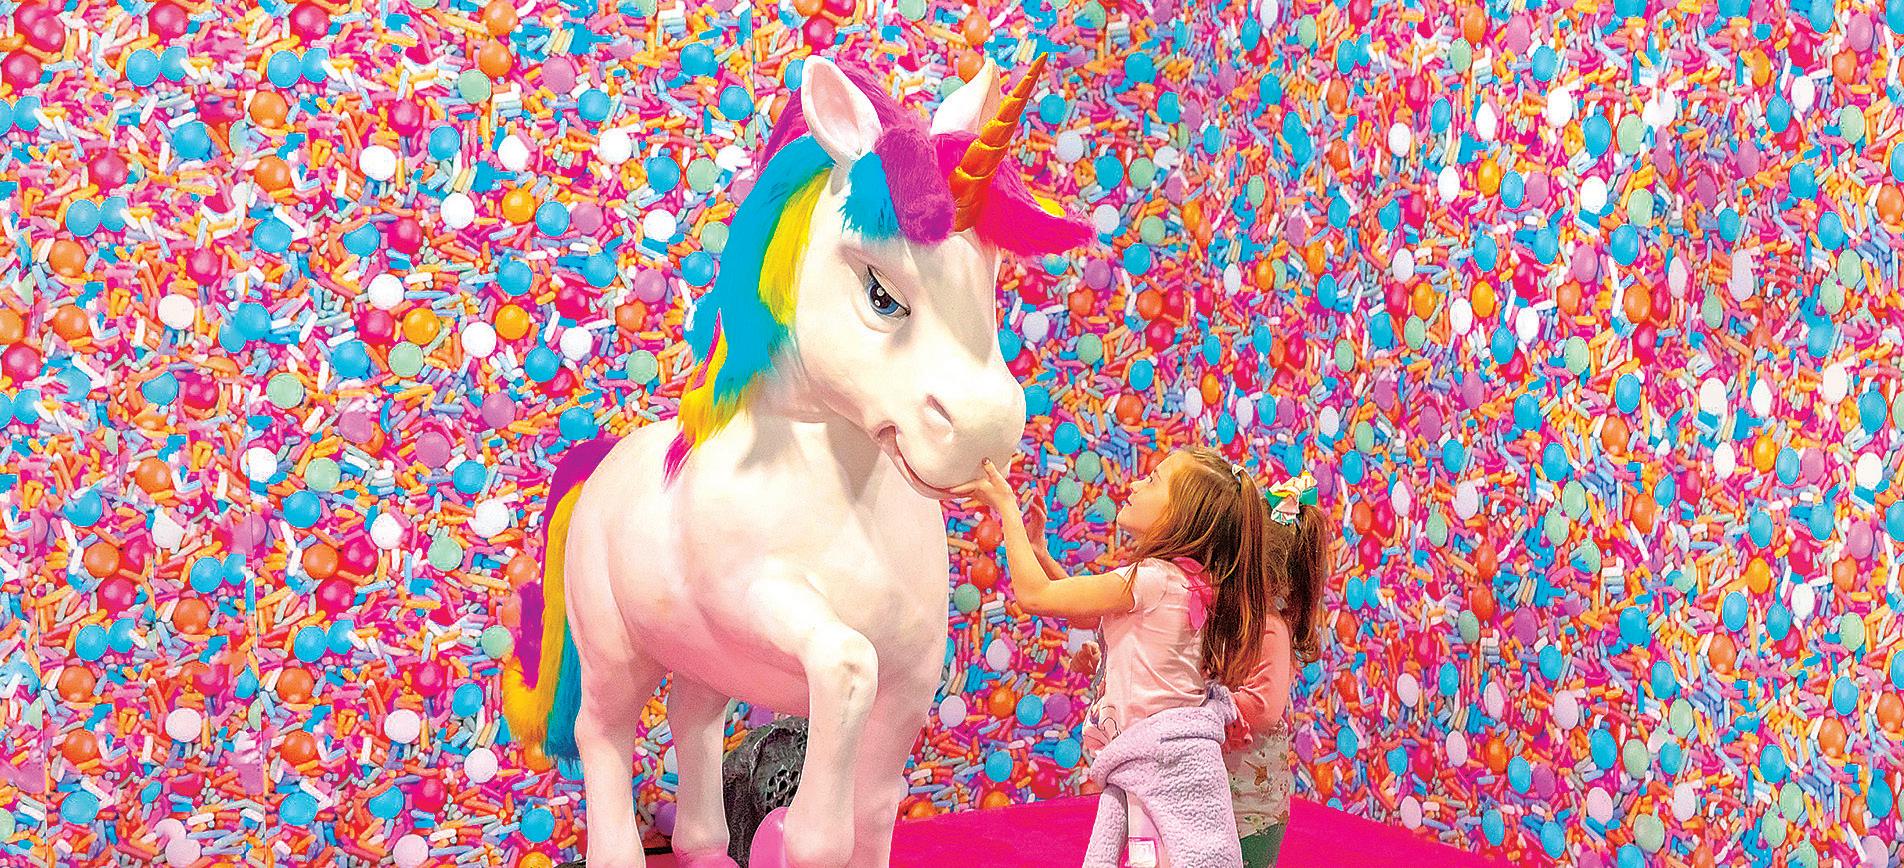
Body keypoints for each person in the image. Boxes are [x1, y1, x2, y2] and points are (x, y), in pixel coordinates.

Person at [955, 446, 1280, 868]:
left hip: (1161, 759)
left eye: (1154, 480)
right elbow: (1090, 612)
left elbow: (1034, 596)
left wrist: (1006, 507)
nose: (1137, 483)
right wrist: (1041, 553)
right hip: (1166, 758)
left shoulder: (1151, 580)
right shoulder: (1185, 582)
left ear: (1179, 516)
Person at [1222, 474, 1328, 868]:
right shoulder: (1236, 621)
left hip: (1251, 812)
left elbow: (1263, 707)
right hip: (1221, 799)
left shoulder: (1269, 630)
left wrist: (1203, 706)